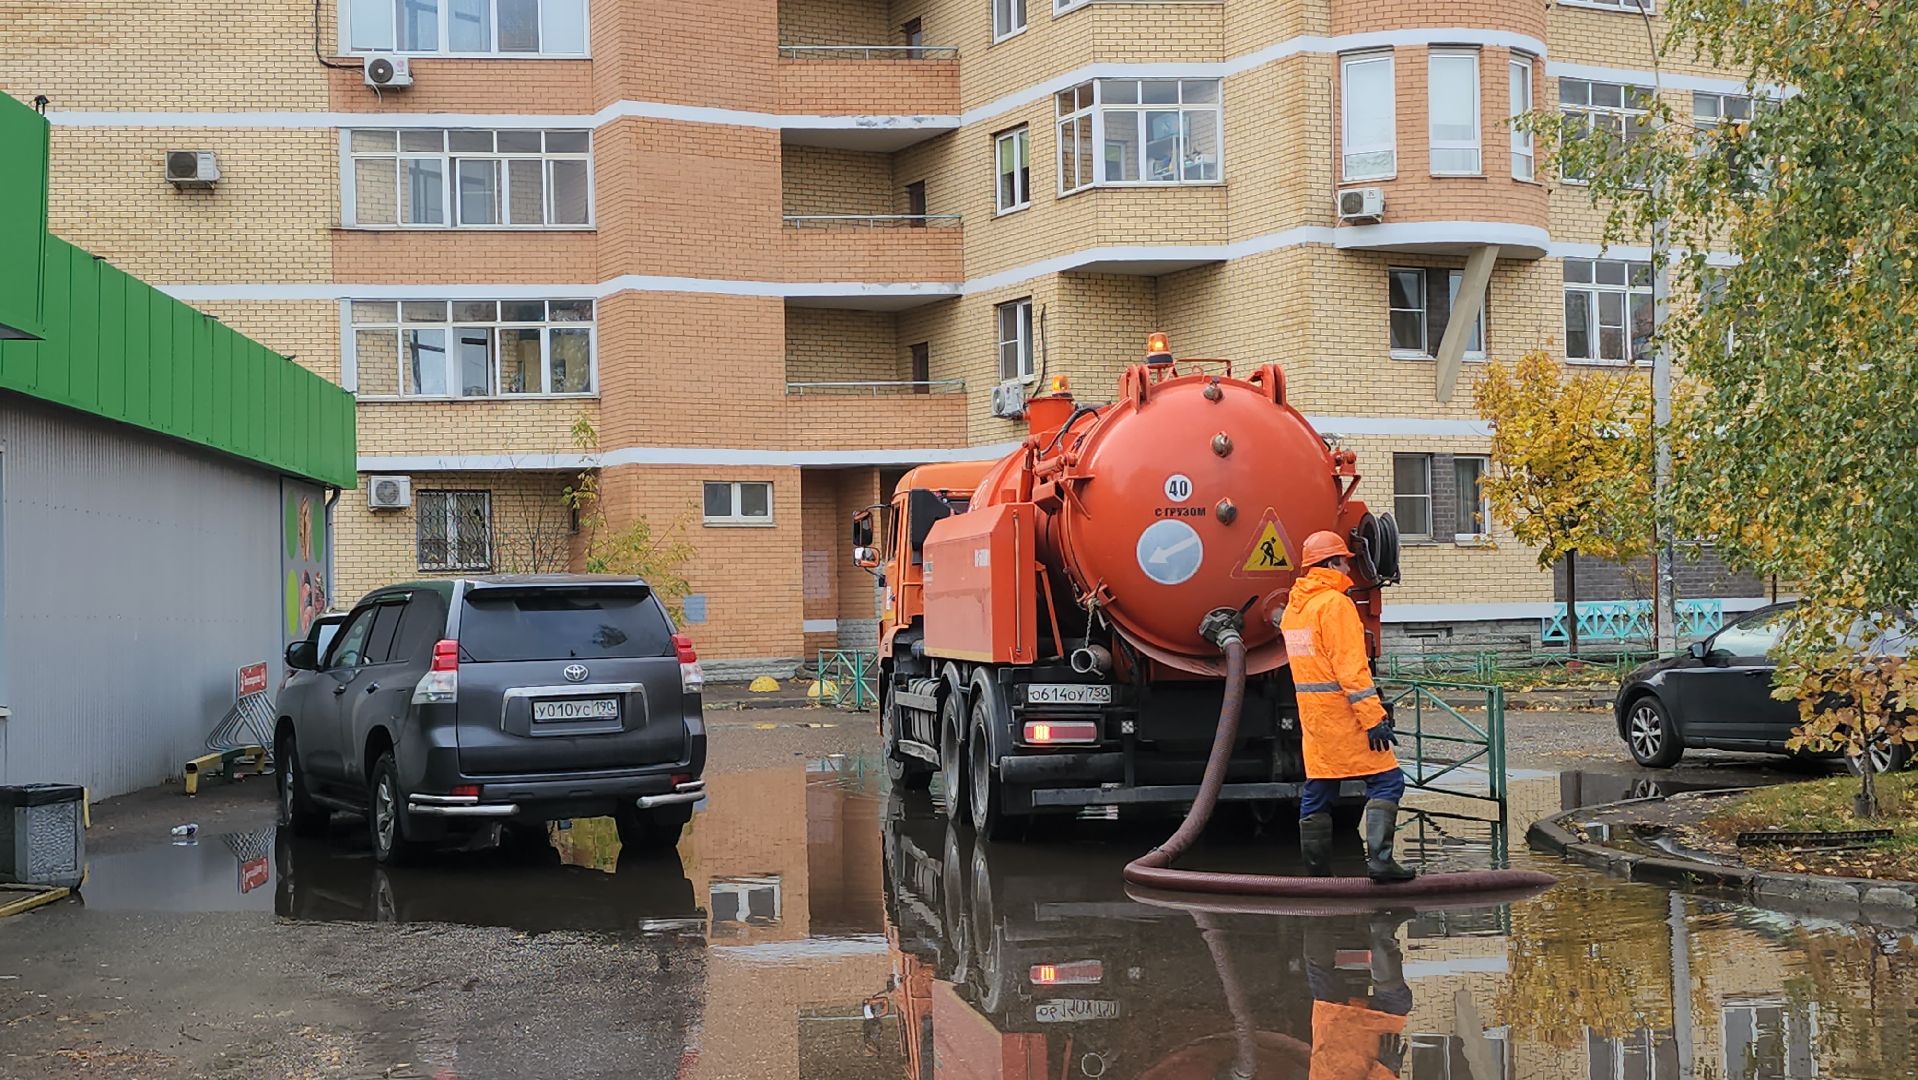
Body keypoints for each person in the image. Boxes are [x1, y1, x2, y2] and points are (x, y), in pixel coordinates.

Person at [1279, 531, 1416, 883]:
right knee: (1388, 780)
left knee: (1320, 788)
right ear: (1331, 563)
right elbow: (1351, 670)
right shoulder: (1335, 605)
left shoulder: (1295, 610)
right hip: (1347, 717)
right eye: (1344, 563)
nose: (1348, 570)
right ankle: (1381, 862)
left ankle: (1318, 877)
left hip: (1314, 719)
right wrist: (1374, 719)